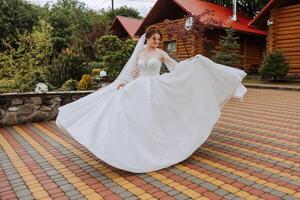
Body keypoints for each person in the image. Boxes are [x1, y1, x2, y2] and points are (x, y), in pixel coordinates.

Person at [56, 26, 247, 173]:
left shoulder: (161, 54)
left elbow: (176, 67)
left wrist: (192, 62)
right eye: (154, 38)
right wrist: (124, 83)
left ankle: (156, 148)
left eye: (159, 39)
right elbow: (132, 72)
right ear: (147, 38)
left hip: (156, 87)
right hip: (138, 88)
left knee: (154, 118)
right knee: (132, 116)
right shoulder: (140, 53)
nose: (157, 41)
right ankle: (130, 148)